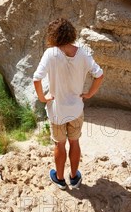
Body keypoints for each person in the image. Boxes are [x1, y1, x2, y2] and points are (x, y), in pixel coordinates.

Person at [33, 18, 103, 190]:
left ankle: (59, 179)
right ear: (72, 33)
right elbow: (99, 75)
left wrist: (43, 98)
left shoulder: (50, 54)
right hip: (76, 109)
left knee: (59, 144)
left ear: (53, 35)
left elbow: (36, 79)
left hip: (57, 110)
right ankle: (74, 177)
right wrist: (89, 94)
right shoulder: (83, 53)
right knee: (74, 142)